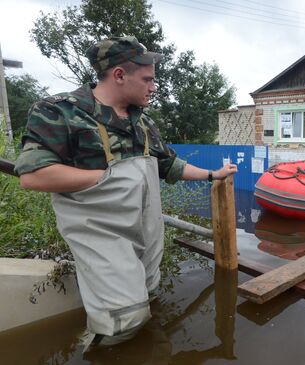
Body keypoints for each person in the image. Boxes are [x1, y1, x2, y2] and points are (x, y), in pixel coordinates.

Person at [14, 36, 237, 349]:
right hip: (102, 235)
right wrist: (110, 178)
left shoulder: (142, 122)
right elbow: (35, 175)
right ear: (119, 75)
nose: (153, 86)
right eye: (147, 79)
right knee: (121, 319)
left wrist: (214, 174)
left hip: (145, 235)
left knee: (146, 300)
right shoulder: (61, 112)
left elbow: (170, 165)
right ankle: (100, 353)